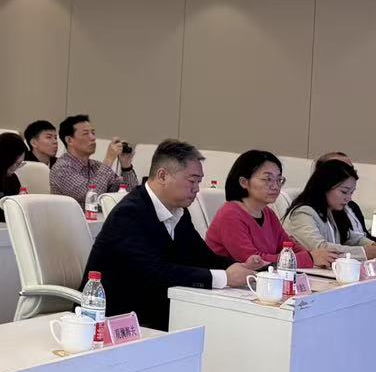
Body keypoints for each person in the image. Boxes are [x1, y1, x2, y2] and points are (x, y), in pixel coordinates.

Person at [84, 140, 261, 329]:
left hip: (159, 308)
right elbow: (154, 272)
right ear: (163, 176)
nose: (197, 188)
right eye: (192, 181)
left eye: (199, 181)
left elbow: (202, 256)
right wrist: (223, 277)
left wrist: (239, 268)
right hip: (117, 318)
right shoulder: (129, 213)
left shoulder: (179, 211)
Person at [206, 149, 329, 269]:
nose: (275, 186)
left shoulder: (267, 213)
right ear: (244, 182)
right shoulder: (230, 214)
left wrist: (317, 256)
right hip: (231, 280)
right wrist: (309, 258)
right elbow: (253, 261)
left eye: (279, 180)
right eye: (268, 179)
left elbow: (287, 246)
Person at [282, 159, 376, 262]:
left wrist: (373, 245)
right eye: (344, 192)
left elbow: (348, 236)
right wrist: (363, 252)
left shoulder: (332, 210)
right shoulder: (302, 213)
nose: (348, 198)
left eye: (351, 193)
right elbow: (321, 248)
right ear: (325, 187)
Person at [51, 115, 137, 201]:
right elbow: (91, 198)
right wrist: (109, 159)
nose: (93, 138)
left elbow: (130, 195)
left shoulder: (96, 166)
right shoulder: (61, 169)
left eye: (93, 133)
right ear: (69, 140)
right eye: (85, 134)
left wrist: (126, 167)